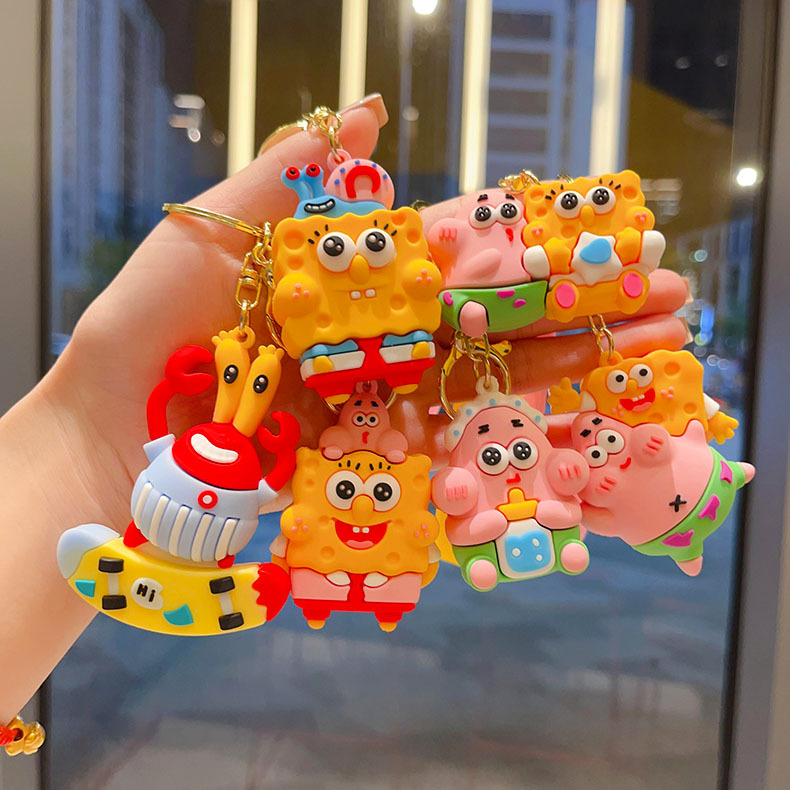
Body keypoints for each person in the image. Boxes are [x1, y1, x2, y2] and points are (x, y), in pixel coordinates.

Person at [0, 93, 689, 725]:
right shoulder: (301, 287)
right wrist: (90, 439)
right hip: (317, 378)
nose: (359, 262)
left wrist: (87, 446)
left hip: (386, 364)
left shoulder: (405, 299)